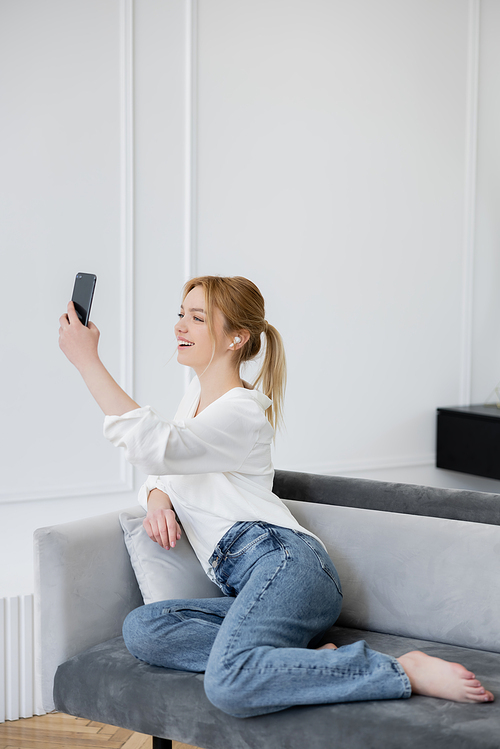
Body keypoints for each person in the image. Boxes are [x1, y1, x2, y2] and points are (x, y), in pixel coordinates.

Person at [59, 274, 494, 717]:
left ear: (236, 339)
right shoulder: (194, 400)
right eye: (180, 315)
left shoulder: (242, 412)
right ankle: (301, 662)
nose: (180, 327)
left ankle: (400, 670)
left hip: (283, 563)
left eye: (197, 318)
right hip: (247, 582)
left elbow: (159, 448)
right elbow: (162, 467)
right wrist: (157, 499)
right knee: (144, 629)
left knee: (229, 685)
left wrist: (87, 362)